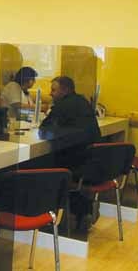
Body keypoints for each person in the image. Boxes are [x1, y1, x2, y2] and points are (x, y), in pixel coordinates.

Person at [40, 76, 101, 229]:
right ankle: (82, 211)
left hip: (74, 162)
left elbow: (44, 129)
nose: (50, 93)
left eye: (54, 90)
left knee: (42, 166)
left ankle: (47, 217)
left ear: (65, 90)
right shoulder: (83, 102)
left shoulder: (62, 106)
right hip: (90, 161)